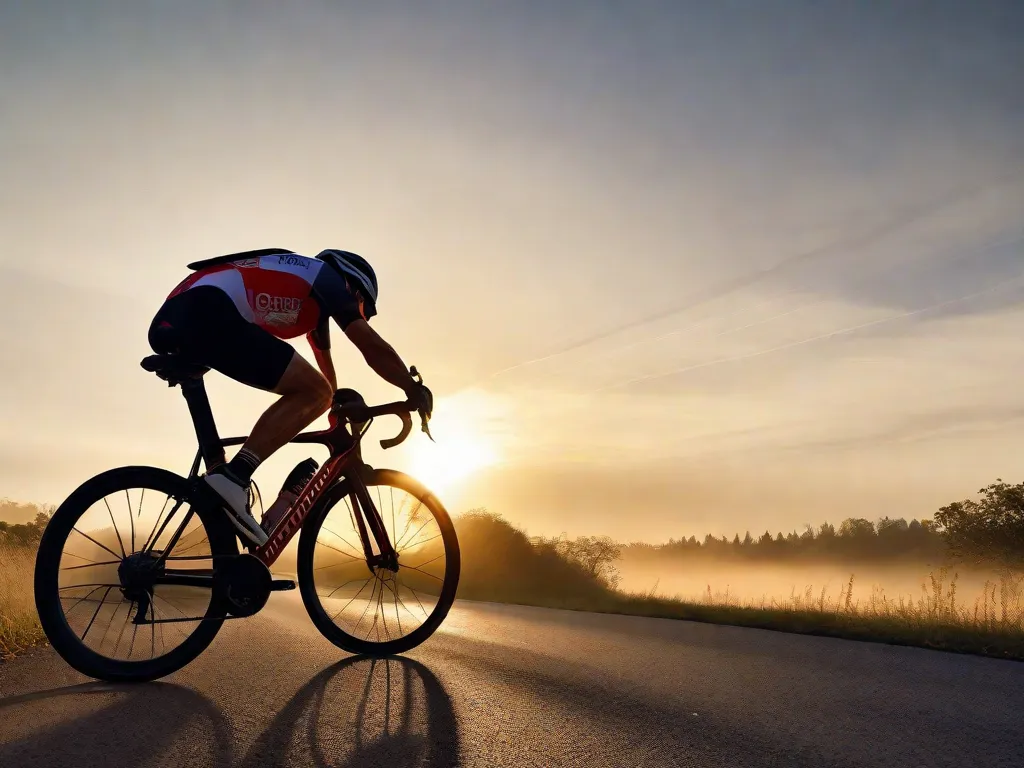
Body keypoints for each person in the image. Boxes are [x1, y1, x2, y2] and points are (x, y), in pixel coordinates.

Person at [146, 247, 431, 546]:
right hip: (206, 310)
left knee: (318, 393)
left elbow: (325, 369)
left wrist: (333, 399)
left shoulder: (307, 290)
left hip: (179, 317)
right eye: (361, 308)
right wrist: (413, 388)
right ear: (353, 286)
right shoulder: (327, 278)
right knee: (314, 393)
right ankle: (234, 477)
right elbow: (370, 347)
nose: (357, 314)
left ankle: (223, 488)